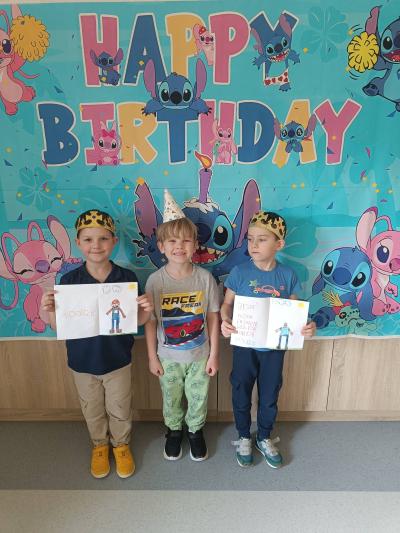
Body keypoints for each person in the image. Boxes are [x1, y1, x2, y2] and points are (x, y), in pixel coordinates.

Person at [41, 209, 153, 479]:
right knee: (91, 408)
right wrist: (50, 310)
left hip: (118, 360)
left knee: (120, 407)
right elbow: (59, 326)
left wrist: (146, 310)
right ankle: (100, 445)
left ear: (113, 241)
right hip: (82, 362)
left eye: (103, 238)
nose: (96, 245)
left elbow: (136, 321)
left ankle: (121, 445)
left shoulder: (126, 278)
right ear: (78, 243)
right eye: (88, 239)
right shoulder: (69, 281)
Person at [220, 210, 316, 469]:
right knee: (240, 390)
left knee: (270, 393)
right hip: (244, 346)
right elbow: (226, 305)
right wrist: (225, 320)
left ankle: (264, 436)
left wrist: (308, 325)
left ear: (279, 244)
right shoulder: (239, 272)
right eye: (250, 239)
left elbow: (296, 312)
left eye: (262, 239)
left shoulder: (287, 275)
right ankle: (243, 436)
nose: (254, 245)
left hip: (274, 349)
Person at [145, 190, 220, 462]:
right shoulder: (155, 281)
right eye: (172, 240)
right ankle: (174, 430)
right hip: (168, 356)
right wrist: (152, 357)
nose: (180, 246)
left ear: (195, 245)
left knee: (199, 396)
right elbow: (151, 321)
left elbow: (213, 316)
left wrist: (214, 354)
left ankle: (196, 430)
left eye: (186, 240)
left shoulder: (205, 278)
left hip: (200, 355)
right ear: (161, 246)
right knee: (171, 396)